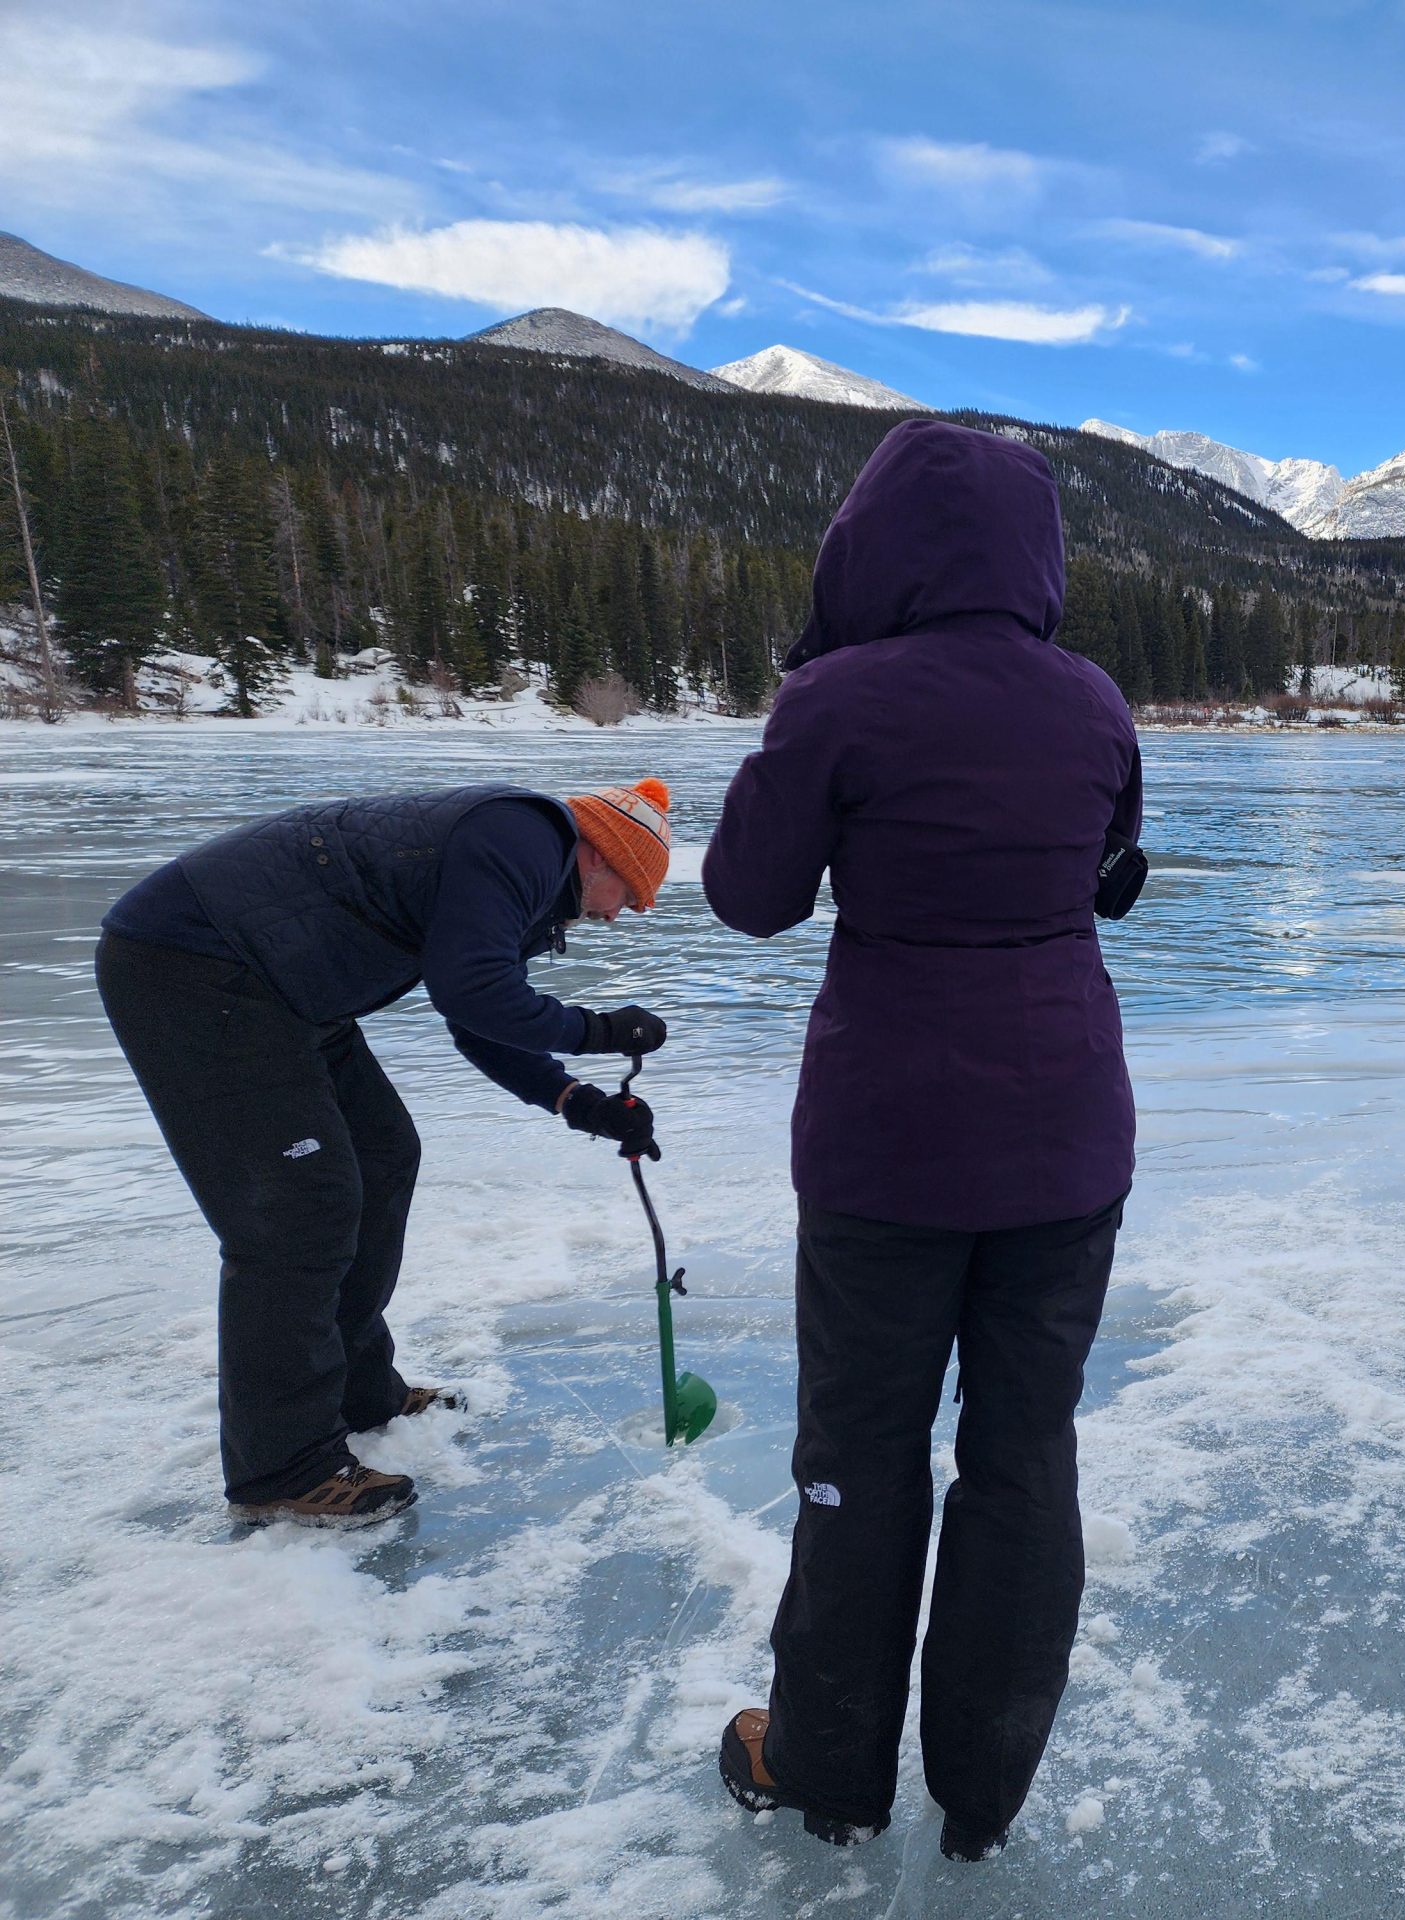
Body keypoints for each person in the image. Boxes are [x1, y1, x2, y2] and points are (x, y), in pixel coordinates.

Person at [705, 418, 1142, 1864]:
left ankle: (828, 1768)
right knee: (1025, 1457)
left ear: (866, 546)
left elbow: (749, 898)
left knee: (864, 1453)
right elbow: (1109, 874)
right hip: (1068, 1141)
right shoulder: (1095, 703)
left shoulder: (839, 700)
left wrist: (798, 724)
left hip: (889, 1148)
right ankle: (984, 1790)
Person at [95, 778, 677, 1527]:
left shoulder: (525, 862)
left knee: (383, 1154)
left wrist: (578, 1101)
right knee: (298, 1208)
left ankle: (359, 1392)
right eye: (627, 894)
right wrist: (600, 1029)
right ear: (599, 854)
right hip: (198, 968)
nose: (617, 915)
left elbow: (480, 1018)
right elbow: (472, 991)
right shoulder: (520, 841)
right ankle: (283, 1466)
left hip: (288, 985)